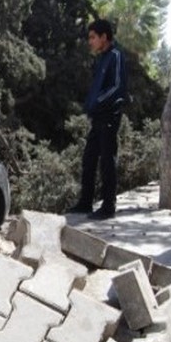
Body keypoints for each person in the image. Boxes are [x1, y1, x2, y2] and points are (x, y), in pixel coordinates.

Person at [67, 19, 128, 220]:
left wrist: (98, 102)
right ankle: (86, 203)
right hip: (98, 116)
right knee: (89, 159)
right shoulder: (101, 58)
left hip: (110, 114)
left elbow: (117, 87)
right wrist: (91, 105)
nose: (90, 41)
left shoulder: (116, 56)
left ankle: (108, 206)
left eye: (93, 37)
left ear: (104, 37)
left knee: (107, 161)